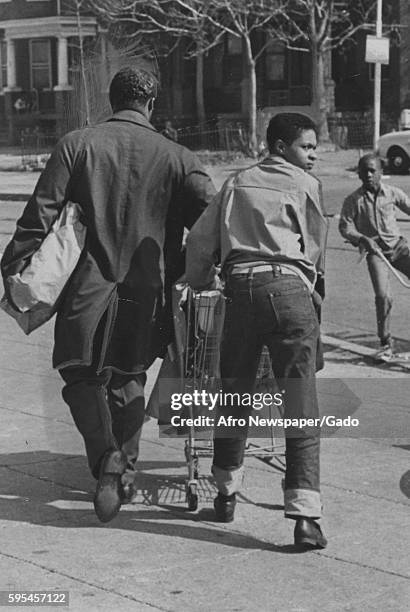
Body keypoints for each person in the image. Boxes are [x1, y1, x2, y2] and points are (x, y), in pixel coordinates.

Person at [1, 67, 215, 523]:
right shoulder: (179, 157)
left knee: (79, 375)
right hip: (148, 289)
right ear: (151, 103)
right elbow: (209, 221)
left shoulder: (77, 144)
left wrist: (13, 267)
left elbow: (40, 215)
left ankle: (105, 460)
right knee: (128, 376)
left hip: (86, 287)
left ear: (110, 99)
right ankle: (127, 471)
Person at [186, 112, 328, 549]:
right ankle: (305, 516)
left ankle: (226, 492)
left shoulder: (235, 182)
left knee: (235, 394)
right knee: (299, 401)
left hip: (240, 289)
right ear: (282, 147)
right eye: (307, 147)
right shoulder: (304, 186)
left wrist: (200, 281)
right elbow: (316, 253)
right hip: (288, 291)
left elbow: (199, 242)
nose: (314, 156)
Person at [339, 153, 410, 360]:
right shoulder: (353, 200)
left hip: (399, 248)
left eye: (373, 170)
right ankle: (386, 342)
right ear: (359, 174)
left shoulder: (392, 193)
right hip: (376, 253)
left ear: (381, 172)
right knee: (383, 296)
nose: (369, 175)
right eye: (364, 171)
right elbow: (345, 226)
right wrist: (361, 238)